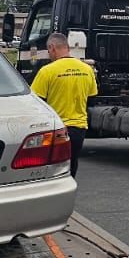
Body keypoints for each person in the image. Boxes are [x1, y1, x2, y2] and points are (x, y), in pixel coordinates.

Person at [30, 32, 97, 178]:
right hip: (79, 128)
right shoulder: (87, 70)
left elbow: (36, 102)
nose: (49, 54)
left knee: (51, 167)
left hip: (56, 128)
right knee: (72, 162)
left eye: (48, 50)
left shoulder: (47, 71)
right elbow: (91, 99)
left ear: (52, 48)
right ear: (68, 48)